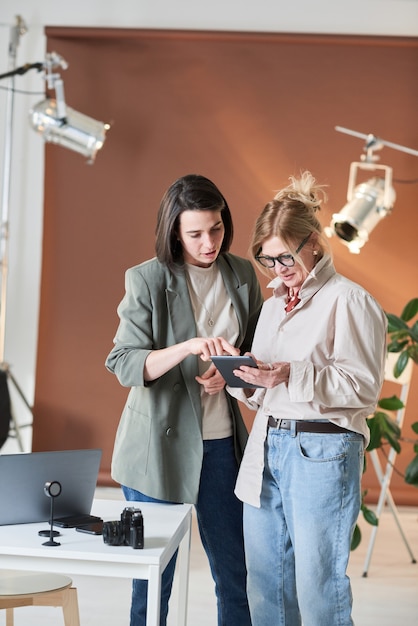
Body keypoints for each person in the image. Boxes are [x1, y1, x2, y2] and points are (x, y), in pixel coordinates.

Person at [227, 171, 387, 626]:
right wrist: (239, 378)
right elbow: (267, 393)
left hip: (322, 451)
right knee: (265, 588)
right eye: (267, 260)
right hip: (267, 447)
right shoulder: (275, 306)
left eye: (285, 256)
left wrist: (291, 373)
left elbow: (363, 388)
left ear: (313, 242)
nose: (277, 270)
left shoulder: (349, 301)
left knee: (318, 590)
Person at [105, 174, 263, 626]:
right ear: (174, 230)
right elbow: (123, 362)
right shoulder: (147, 279)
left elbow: (252, 351)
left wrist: (229, 376)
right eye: (195, 233)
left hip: (220, 444)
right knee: (154, 579)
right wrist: (188, 348)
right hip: (158, 447)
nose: (208, 242)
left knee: (236, 574)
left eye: (215, 229)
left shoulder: (241, 274)